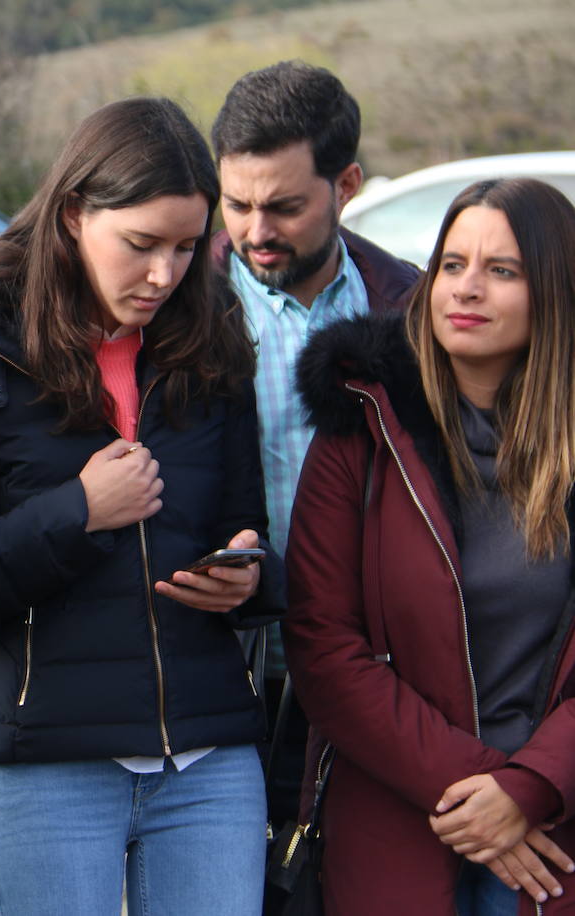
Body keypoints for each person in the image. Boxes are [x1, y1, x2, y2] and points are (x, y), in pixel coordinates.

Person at [0, 97, 283, 914]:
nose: (164, 274)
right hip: (49, 763)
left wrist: (250, 577)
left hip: (211, 760)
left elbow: (249, 525)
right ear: (71, 215)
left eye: (187, 248)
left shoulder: (213, 333)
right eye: (141, 244)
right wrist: (78, 512)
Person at [286, 177, 575, 914]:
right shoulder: (362, 424)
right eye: (452, 265)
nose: (466, 289)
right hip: (399, 826)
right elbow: (324, 645)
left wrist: (529, 786)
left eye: (501, 271)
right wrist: (482, 792)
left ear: (555, 291)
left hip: (557, 832)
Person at [209, 59, 420, 825]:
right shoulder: (178, 313)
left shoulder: (413, 308)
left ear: (349, 184)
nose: (256, 232)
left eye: (285, 207)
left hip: (385, 665)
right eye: (236, 204)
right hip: (230, 666)